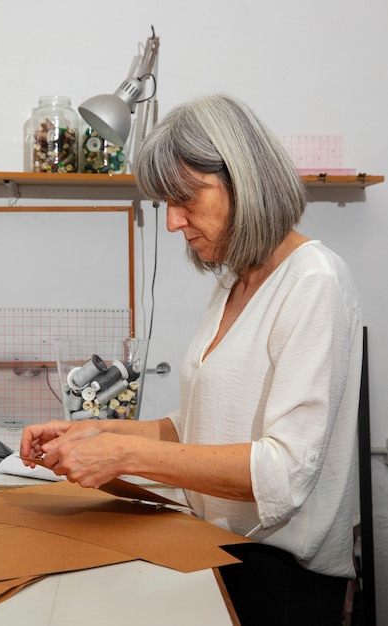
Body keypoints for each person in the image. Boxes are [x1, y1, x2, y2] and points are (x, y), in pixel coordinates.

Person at [20, 94, 362, 626]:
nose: (174, 222)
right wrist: (96, 436)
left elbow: (285, 472)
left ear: (243, 179)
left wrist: (124, 457)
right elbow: (202, 424)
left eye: (185, 199)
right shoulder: (236, 279)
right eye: (165, 203)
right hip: (218, 544)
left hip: (284, 575)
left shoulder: (313, 280)